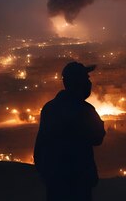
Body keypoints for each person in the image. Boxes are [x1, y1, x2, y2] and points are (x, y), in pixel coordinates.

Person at [34, 61, 106, 201]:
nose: (89, 83)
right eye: (86, 79)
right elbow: (97, 138)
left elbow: (40, 146)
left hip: (55, 183)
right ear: (77, 82)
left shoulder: (50, 108)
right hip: (78, 184)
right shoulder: (84, 110)